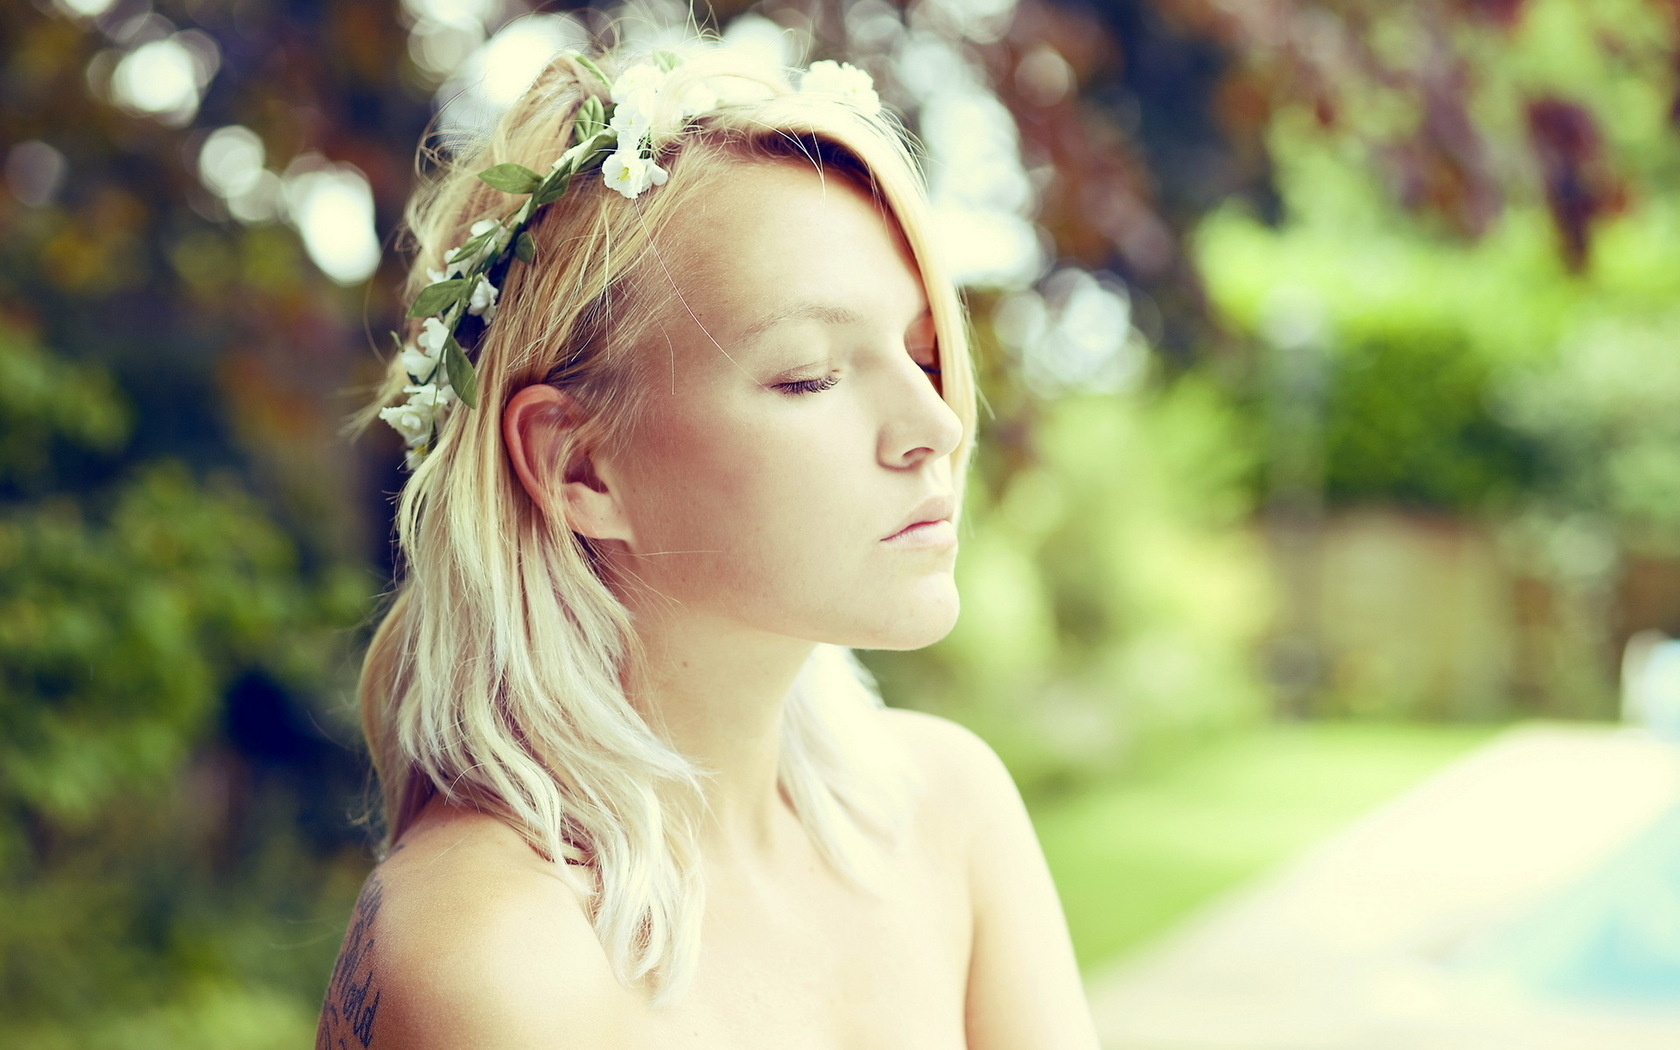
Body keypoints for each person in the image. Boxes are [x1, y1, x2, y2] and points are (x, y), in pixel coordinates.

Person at [316, 33, 1099, 1050]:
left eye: (918, 352)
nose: (938, 427)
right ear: (579, 468)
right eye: (811, 374)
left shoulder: (951, 811)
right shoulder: (499, 952)